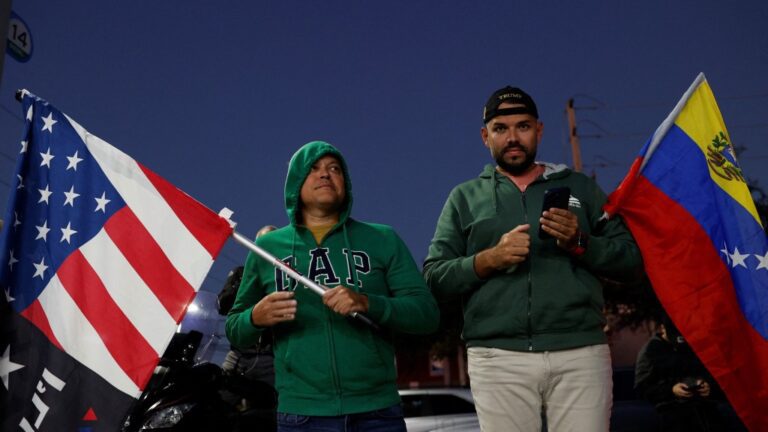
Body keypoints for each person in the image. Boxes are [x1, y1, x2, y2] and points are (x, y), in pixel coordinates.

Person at [423, 86, 642, 431]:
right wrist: (488, 259)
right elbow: (434, 277)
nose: (512, 138)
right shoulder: (464, 197)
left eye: (522, 126)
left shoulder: (580, 188)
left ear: (538, 131)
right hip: (498, 357)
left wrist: (580, 242)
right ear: (485, 136)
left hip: (580, 350)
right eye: (501, 129)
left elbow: (631, 261)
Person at [226, 141, 440, 432]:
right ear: (295, 184)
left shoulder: (383, 239)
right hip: (301, 415)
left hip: (376, 412)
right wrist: (255, 317)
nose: (325, 174)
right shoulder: (267, 249)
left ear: (346, 183)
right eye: (313, 169)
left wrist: (368, 302)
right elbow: (234, 327)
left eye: (334, 169)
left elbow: (426, 314)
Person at [634, 317, 736, 432]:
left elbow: (717, 374)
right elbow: (642, 388)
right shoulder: (650, 351)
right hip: (672, 410)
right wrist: (671, 390)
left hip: (705, 408)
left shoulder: (693, 343)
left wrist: (708, 386)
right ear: (662, 328)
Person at [219, 225, 278, 387]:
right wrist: (239, 285)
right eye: (261, 244)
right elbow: (222, 305)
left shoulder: (285, 277)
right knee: (221, 394)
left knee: (271, 403)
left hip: (272, 356)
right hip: (239, 353)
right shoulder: (241, 273)